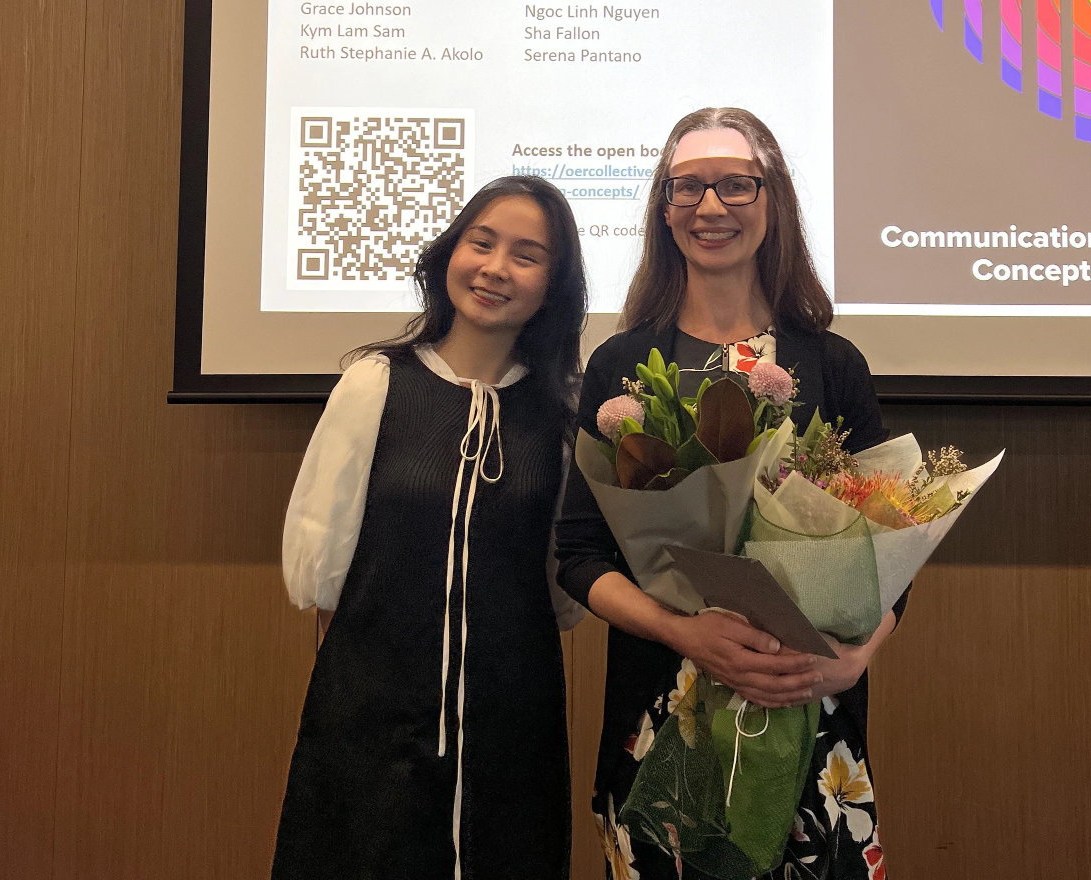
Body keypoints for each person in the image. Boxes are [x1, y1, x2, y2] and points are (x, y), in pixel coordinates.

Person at [556, 109, 909, 880]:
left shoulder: (830, 363)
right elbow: (578, 553)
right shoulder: (622, 362)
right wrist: (682, 631)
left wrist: (852, 661)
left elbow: (890, 551)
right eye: (687, 188)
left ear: (771, 199)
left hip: (809, 721)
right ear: (664, 207)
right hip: (659, 725)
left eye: (735, 185)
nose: (709, 208)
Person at [273, 176, 588, 880]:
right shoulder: (375, 385)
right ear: (450, 252)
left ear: (552, 287)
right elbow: (324, 573)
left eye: (527, 255)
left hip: (514, 727)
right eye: (482, 242)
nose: (495, 268)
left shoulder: (557, 421)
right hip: (372, 722)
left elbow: (560, 595)